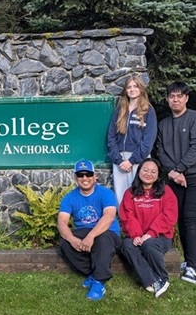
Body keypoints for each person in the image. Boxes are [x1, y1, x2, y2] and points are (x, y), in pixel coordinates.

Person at [156, 81, 196, 284]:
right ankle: (185, 261)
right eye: (172, 96)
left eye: (180, 96)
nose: (176, 99)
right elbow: (160, 151)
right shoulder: (163, 124)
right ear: (168, 99)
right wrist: (173, 172)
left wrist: (179, 169)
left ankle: (192, 268)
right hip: (174, 178)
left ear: (186, 98)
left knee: (191, 218)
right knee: (176, 219)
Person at [57, 159, 121, 301]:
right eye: (81, 175)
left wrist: (91, 236)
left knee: (102, 239)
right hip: (83, 231)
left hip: (108, 232)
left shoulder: (106, 193)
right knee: (64, 243)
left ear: (95, 176)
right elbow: (62, 222)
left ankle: (99, 282)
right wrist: (71, 238)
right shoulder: (69, 198)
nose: (85, 178)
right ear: (75, 178)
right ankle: (92, 273)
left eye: (88, 174)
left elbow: (109, 217)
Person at [119, 158, 178, 298]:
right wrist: (136, 235)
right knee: (126, 245)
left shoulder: (166, 191)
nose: (149, 173)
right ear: (139, 171)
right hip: (138, 236)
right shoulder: (130, 193)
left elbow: (169, 216)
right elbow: (128, 216)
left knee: (149, 244)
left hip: (160, 236)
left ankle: (162, 278)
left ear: (158, 175)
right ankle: (150, 280)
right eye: (145, 170)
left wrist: (150, 233)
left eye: (153, 171)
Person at [107, 76, 157, 205]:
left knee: (139, 196)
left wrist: (131, 161)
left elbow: (148, 141)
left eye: (135, 86)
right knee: (122, 198)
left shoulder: (148, 111)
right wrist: (119, 160)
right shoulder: (119, 111)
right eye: (129, 87)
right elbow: (111, 137)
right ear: (125, 91)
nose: (132, 89)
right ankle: (124, 224)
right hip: (120, 160)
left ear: (141, 89)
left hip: (139, 160)